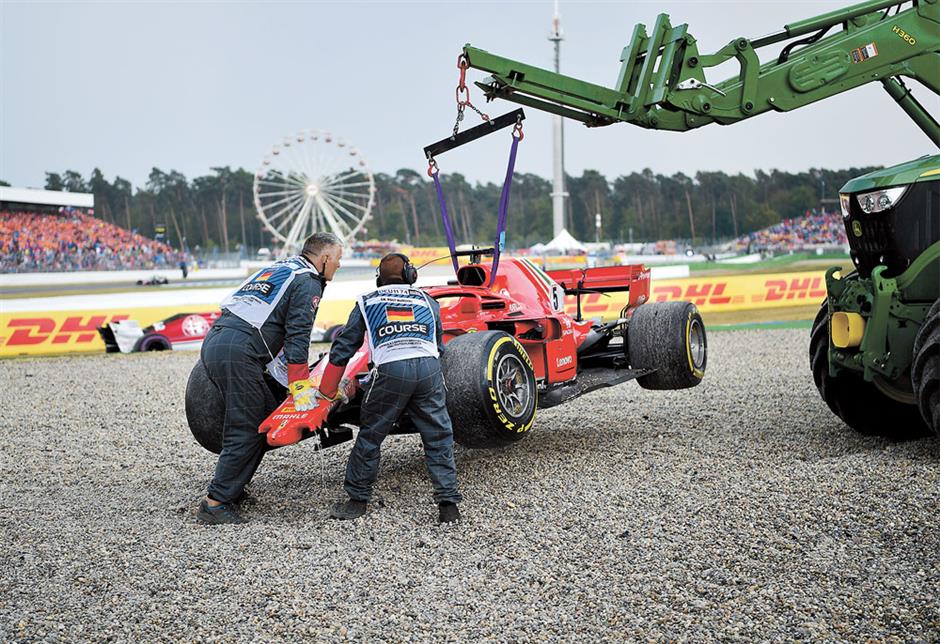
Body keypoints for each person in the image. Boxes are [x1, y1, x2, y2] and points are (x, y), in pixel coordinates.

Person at [195, 232, 343, 525]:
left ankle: (232, 488)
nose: (338, 267)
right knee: (247, 427)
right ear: (324, 258)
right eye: (338, 260)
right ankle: (215, 503)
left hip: (216, 341)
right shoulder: (309, 281)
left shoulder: (280, 267)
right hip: (240, 353)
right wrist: (300, 386)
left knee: (262, 418)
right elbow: (298, 336)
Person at [318, 253, 462, 524]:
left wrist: (327, 390)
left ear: (378, 279)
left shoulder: (366, 301)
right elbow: (439, 347)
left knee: (371, 435)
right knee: (439, 436)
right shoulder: (428, 302)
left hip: (390, 370)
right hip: (428, 369)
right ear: (411, 275)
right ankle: (448, 506)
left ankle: (357, 501)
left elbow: (343, 348)